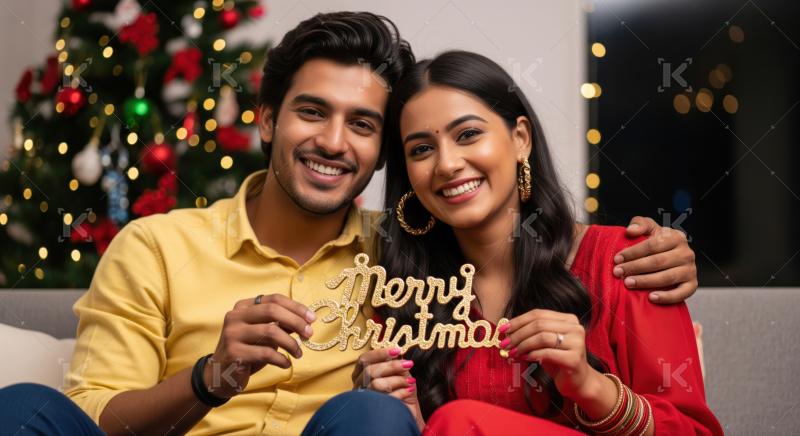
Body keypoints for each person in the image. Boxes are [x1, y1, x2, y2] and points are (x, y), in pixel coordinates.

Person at [0, 14, 699, 436]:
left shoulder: (407, 257)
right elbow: (93, 420)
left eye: (363, 125)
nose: (334, 142)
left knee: (374, 416)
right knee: (25, 407)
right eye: (312, 112)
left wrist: (658, 254)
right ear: (267, 119)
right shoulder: (156, 246)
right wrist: (210, 376)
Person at [349, 51, 722, 435]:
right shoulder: (405, 297)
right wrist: (404, 420)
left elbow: (696, 432)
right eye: (421, 149)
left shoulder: (630, 261)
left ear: (520, 139)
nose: (446, 164)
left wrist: (590, 387)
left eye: (468, 134)